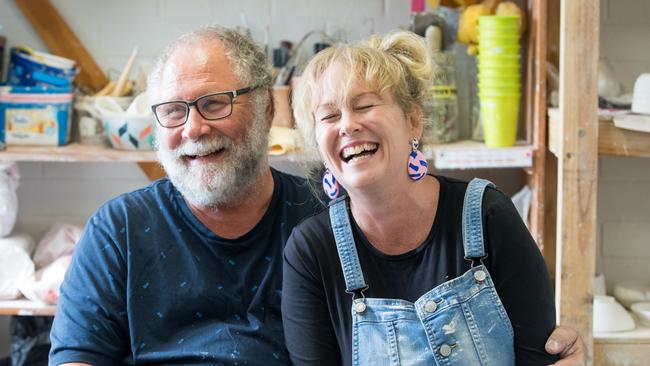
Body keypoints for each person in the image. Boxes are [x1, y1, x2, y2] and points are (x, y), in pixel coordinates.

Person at [48, 25, 585, 366]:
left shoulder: (329, 225)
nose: (191, 128)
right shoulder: (119, 228)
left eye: (214, 103)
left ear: (264, 109)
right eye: (172, 111)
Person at [282, 30, 562, 365]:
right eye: (329, 116)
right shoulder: (312, 251)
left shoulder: (487, 216)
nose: (347, 125)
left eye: (365, 105)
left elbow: (540, 358)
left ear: (413, 121)